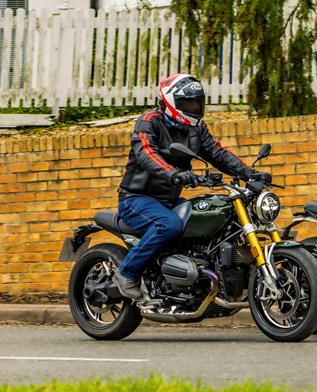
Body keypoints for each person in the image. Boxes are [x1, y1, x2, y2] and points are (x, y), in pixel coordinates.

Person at [113, 73, 270, 300]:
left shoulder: (196, 129)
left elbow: (218, 154)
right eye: (188, 102)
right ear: (170, 101)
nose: (194, 107)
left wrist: (250, 173)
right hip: (136, 198)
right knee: (169, 226)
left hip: (169, 200)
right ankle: (126, 273)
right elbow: (147, 153)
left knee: (205, 222)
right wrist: (174, 174)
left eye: (197, 102)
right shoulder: (149, 122)